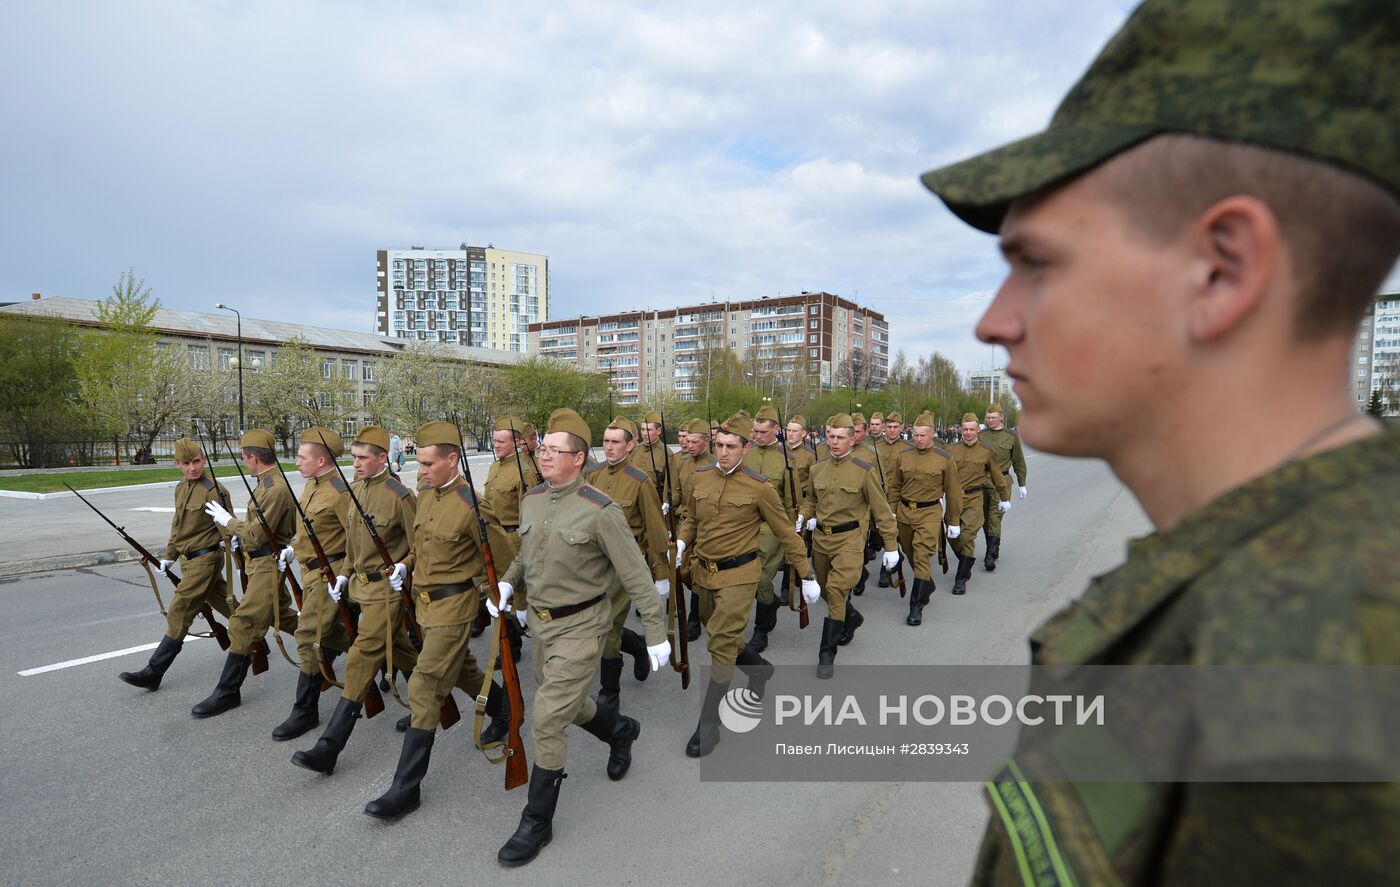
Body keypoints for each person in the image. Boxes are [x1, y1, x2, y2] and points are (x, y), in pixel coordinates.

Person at [920, 0, 1400, 882]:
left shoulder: (1324, 654)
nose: (995, 322)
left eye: (1036, 263)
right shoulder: (1275, 589)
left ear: (1221, 270)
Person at [492, 409, 670, 867]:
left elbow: (636, 577)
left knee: (548, 718)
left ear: (578, 459)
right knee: (568, 704)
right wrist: (509, 582)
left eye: (553, 451)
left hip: (583, 625)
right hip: (543, 625)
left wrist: (656, 631)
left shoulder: (600, 510)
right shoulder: (532, 498)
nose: (544, 455)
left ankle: (537, 821)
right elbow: (527, 556)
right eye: (543, 449)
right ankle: (620, 730)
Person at [363, 421, 509, 821]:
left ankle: (405, 789)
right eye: (418, 462)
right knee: (461, 670)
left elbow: (504, 562)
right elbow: (421, 547)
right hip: (423, 606)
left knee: (426, 686)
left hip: (454, 607)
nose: (419, 470)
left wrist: (504, 598)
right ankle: (506, 708)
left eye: (427, 463)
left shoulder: (471, 505)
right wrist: (404, 567)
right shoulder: (425, 496)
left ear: (451, 459)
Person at [676, 413, 816, 757]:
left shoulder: (760, 487)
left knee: (721, 645)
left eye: (731, 446)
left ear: (746, 448)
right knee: (719, 632)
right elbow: (692, 518)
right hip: (704, 573)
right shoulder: (701, 477)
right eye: (719, 445)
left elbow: (786, 532)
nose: (723, 452)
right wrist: (681, 542)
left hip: (740, 575)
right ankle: (759, 670)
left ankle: (709, 724)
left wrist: (806, 574)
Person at [291, 426, 418, 775]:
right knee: (405, 653)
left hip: (388, 593)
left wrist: (405, 567)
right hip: (361, 588)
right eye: (354, 456)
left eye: (363, 458)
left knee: (360, 658)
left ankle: (328, 748)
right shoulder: (355, 490)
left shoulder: (399, 495)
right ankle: (490, 705)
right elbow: (353, 543)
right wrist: (344, 574)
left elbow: (420, 544)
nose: (355, 463)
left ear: (382, 458)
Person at [195, 429, 300, 719]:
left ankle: (228, 692)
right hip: (259, 563)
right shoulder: (264, 484)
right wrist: (240, 532)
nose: (244, 462)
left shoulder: (274, 488)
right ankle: (340, 643)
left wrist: (230, 523)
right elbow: (257, 531)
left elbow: (257, 535)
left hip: (267, 564)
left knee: (241, 624)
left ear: (254, 457)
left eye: (244, 458)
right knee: (285, 617)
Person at [118, 438, 235, 691]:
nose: (192, 467)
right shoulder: (181, 488)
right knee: (223, 602)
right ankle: (253, 637)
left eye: (196, 461)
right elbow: (178, 525)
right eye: (186, 463)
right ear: (177, 465)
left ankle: (154, 671)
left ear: (203, 459)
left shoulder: (214, 490)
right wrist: (169, 555)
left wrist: (239, 553)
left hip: (206, 558)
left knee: (180, 610)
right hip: (188, 560)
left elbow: (228, 527)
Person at [269, 427, 356, 741]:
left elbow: (357, 541)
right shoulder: (312, 486)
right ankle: (379, 663)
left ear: (321, 460)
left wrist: (345, 575)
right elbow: (311, 530)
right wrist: (295, 548)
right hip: (309, 571)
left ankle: (305, 711)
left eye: (301, 457)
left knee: (308, 637)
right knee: (335, 634)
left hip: (328, 576)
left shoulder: (339, 491)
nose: (295, 462)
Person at [798, 413, 899, 677]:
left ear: (852, 439)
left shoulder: (864, 472)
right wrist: (803, 515)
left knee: (836, 588)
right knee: (828, 592)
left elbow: (882, 511)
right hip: (821, 540)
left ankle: (826, 654)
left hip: (850, 541)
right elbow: (810, 499)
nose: (834, 442)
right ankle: (852, 617)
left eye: (840, 437)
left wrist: (890, 545)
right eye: (830, 436)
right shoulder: (817, 468)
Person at [585, 416, 669, 709]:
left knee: (608, 627)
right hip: (593, 561)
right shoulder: (592, 475)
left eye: (615, 442)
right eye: (605, 441)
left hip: (624, 563)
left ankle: (610, 690)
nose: (609, 447)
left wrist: (661, 574)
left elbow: (656, 530)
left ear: (630, 445)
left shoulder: (640, 482)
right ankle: (637, 647)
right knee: (596, 621)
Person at [887, 413, 962, 626]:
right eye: (915, 434)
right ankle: (926, 582)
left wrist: (954, 520)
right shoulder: (903, 456)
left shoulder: (944, 459)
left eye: (923, 434)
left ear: (932, 435)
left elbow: (954, 491)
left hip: (929, 513)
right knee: (910, 554)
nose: (918, 438)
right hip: (904, 513)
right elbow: (895, 486)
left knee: (921, 556)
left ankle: (916, 607)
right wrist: (891, 511)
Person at [742, 404, 800, 654]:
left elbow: (790, 501)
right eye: (754, 432)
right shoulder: (746, 455)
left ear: (776, 430)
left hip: (771, 527)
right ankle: (771, 602)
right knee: (748, 577)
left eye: (763, 432)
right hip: (744, 525)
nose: (757, 436)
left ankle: (761, 628)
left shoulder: (787, 460)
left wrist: (790, 534)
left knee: (762, 577)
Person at [946, 414, 1010, 596]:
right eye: (965, 429)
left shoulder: (986, 451)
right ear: (960, 429)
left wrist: (1004, 498)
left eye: (971, 429)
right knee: (952, 537)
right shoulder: (950, 450)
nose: (968, 432)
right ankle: (966, 560)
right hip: (953, 500)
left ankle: (961, 578)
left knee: (967, 537)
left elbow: (998, 476)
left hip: (974, 499)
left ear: (978, 430)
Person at [674, 418, 717, 642]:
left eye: (694, 441)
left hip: (705, 524)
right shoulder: (682, 463)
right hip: (685, 521)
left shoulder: (714, 464)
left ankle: (694, 619)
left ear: (706, 442)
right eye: (687, 441)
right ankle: (704, 601)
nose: (689, 445)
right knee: (683, 571)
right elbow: (676, 492)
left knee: (698, 569)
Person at [977, 404, 1027, 572]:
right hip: (982, 482)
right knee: (984, 519)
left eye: (993, 417)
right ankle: (993, 546)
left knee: (994, 517)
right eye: (988, 417)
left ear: (1001, 417)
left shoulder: (1011, 437)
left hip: (1002, 483)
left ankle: (989, 556)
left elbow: (1019, 461)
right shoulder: (980, 436)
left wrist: (1022, 483)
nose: (990, 420)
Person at [872, 410, 906, 587]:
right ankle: (896, 556)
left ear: (901, 428)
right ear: (884, 427)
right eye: (889, 427)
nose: (892, 430)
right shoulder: (875, 446)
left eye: (895, 427)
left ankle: (885, 569)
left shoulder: (908, 448)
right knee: (880, 532)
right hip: (878, 496)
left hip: (899, 497)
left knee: (893, 532)